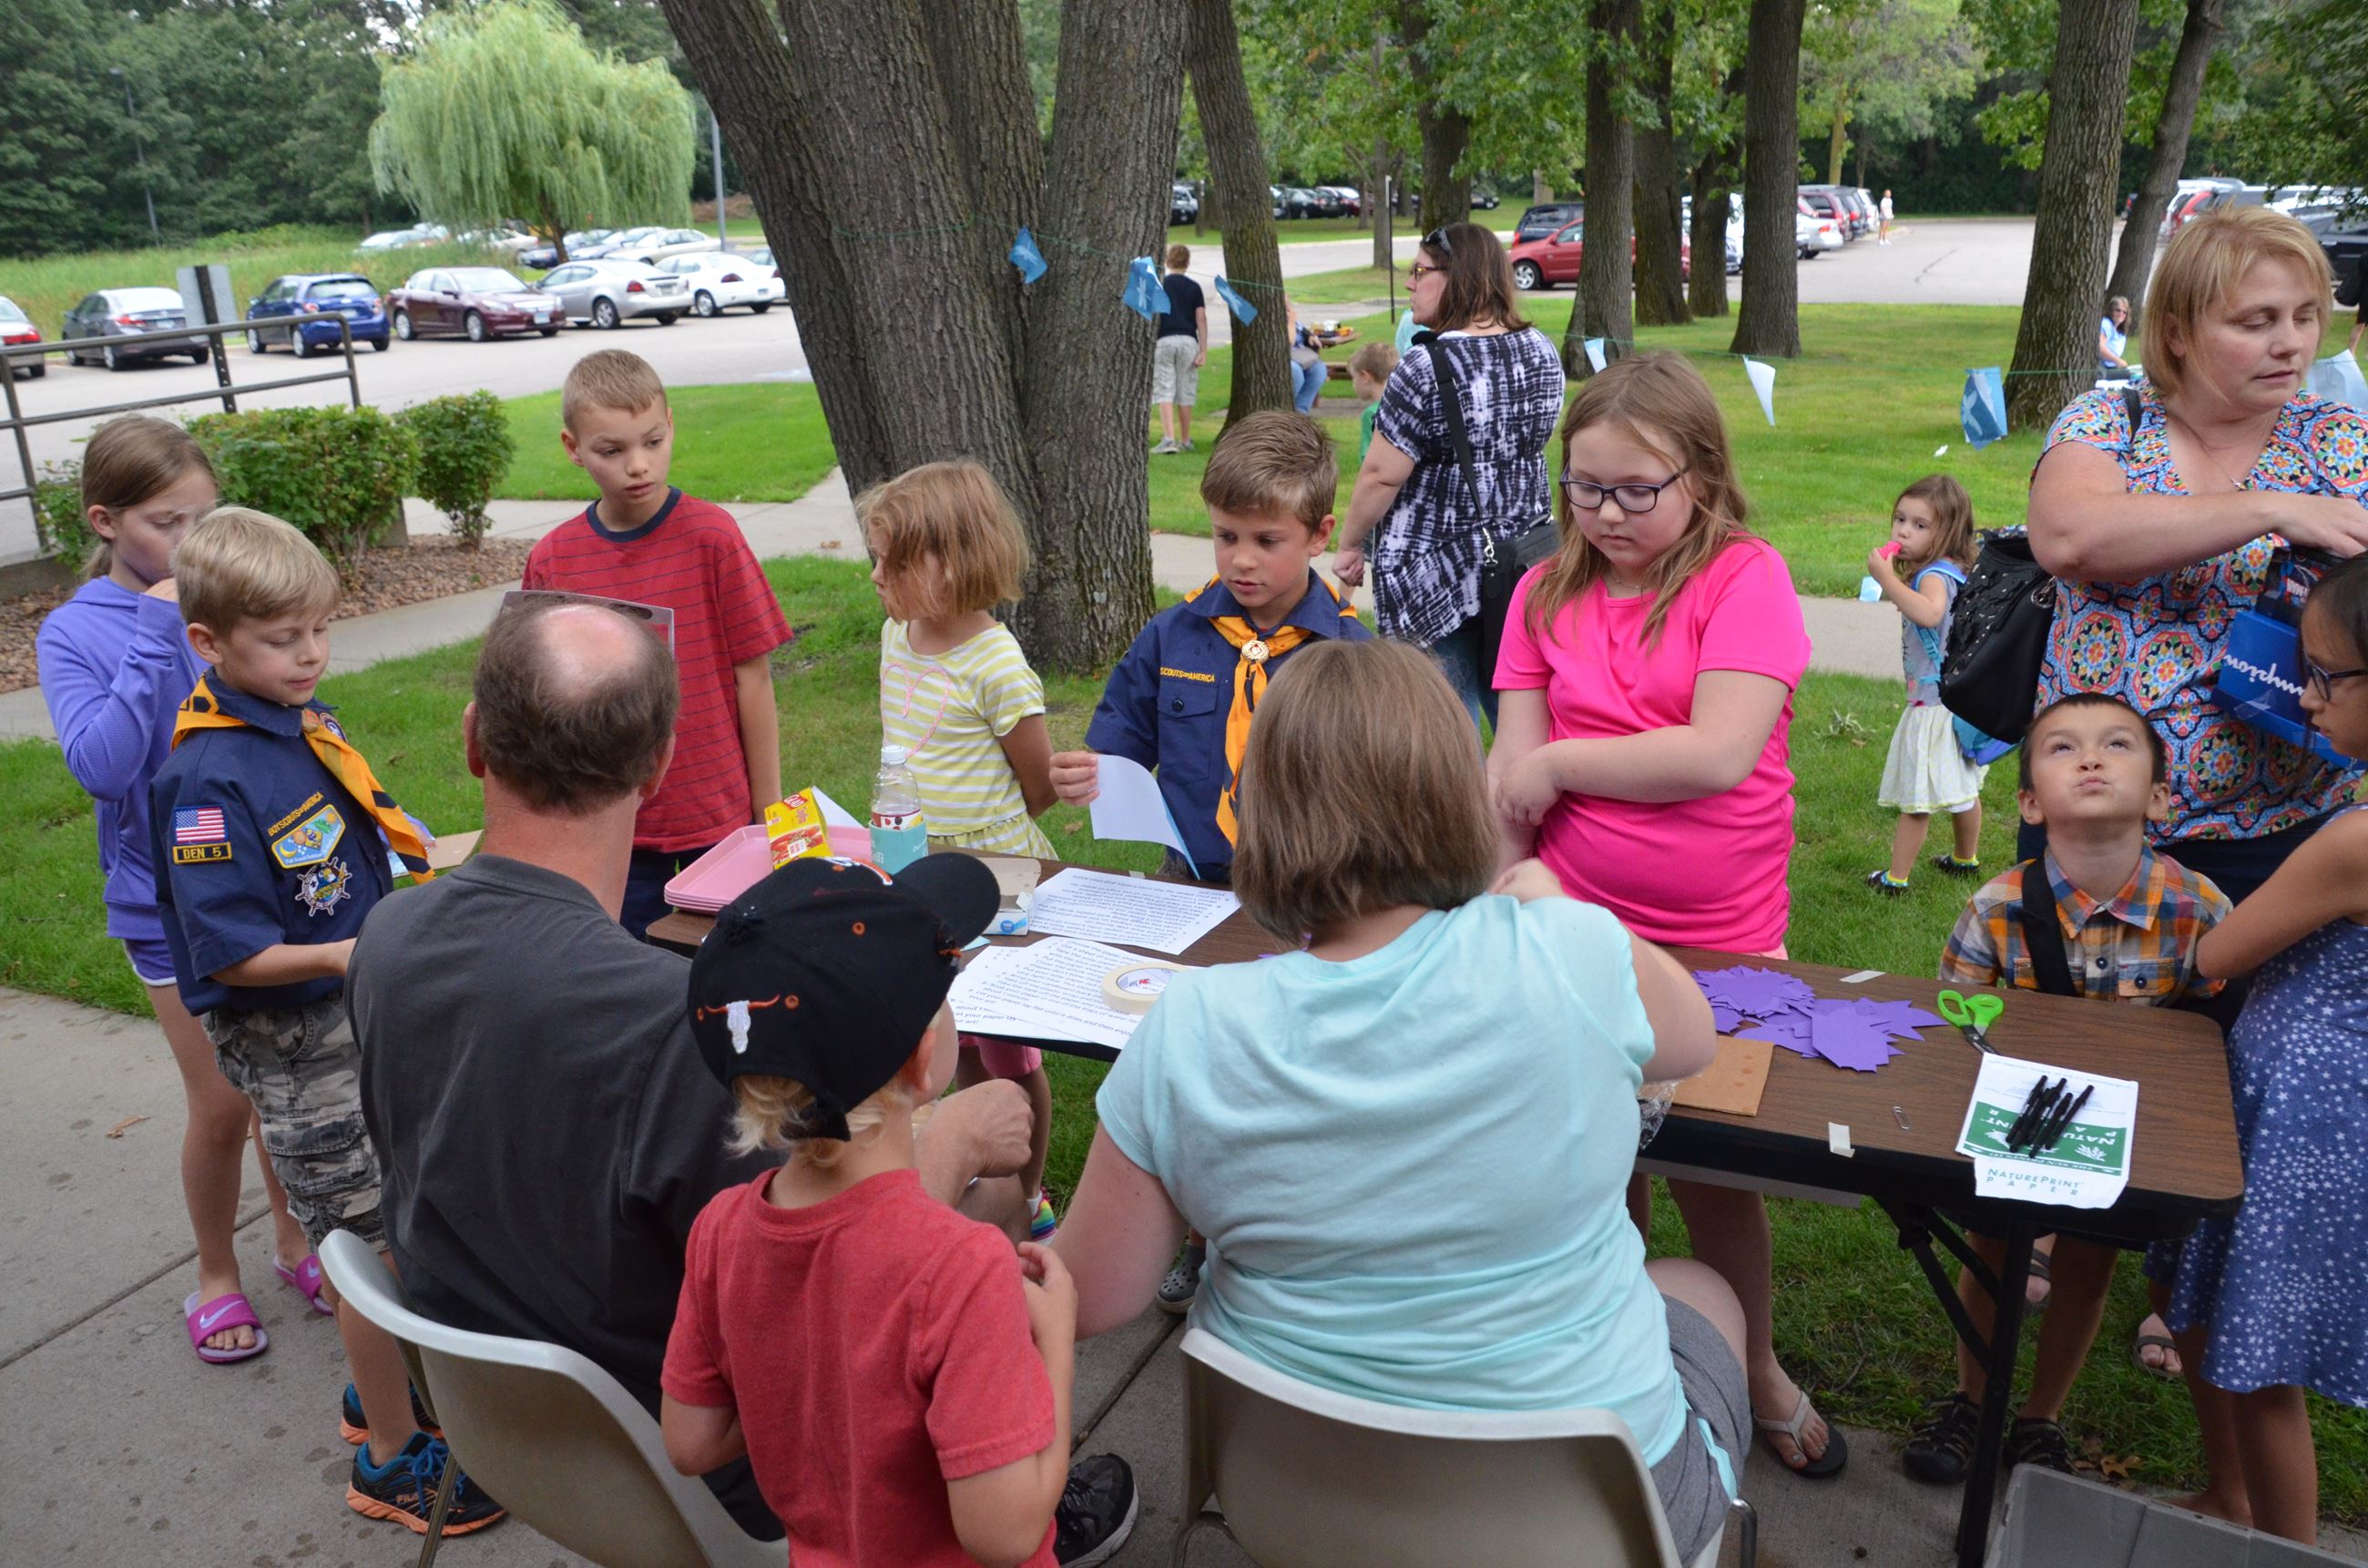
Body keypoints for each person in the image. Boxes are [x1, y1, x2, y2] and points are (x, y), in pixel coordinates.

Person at [350, 596, 1135, 1559]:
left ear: (473, 741)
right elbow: (831, 1274)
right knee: (992, 1225)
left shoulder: (386, 939)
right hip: (706, 1483)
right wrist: (958, 1143)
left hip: (495, 1426)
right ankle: (1016, 1486)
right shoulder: (668, 1029)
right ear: (659, 765)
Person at [1050, 638, 1750, 1564]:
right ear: (1454, 799)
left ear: (1261, 810)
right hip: (1587, 1523)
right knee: (1698, 1290)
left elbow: (1092, 1295)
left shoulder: (1191, 1027)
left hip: (1293, 1501)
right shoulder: (1561, 951)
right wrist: (1560, 908)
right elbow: (1692, 1037)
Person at [1487, 352, 1841, 1479]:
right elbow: (1507, 775)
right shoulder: (1541, 593)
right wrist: (1499, 894)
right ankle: (1617, 1364)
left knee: (1710, 1168)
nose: (1604, 514)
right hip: (1567, 921)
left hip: (1719, 941)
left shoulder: (1744, 578)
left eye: (1635, 490)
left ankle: (1752, 1368)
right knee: (1594, 1164)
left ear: (1701, 475)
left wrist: (1561, 765)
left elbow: (1716, 751)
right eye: (1584, 487)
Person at [147, 508, 500, 1535]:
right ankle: (389, 1458)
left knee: (396, 1219)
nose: (309, 655)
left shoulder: (297, 723)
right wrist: (355, 951)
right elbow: (228, 953)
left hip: (355, 1019)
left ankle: (376, 1387)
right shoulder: (206, 779)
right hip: (297, 1048)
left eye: (318, 630)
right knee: (363, 1252)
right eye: (280, 638)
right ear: (208, 643)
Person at [662, 854, 1124, 1568]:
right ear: (922, 1060)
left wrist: (815, 1380)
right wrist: (1056, 1342)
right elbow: (1004, 1534)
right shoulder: (960, 1268)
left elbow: (691, 1441)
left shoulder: (721, 1231)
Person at [36, 418, 311, 1364]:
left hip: (267, 888)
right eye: (168, 523)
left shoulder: (221, 603)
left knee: (285, 1085)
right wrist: (159, 637)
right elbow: (103, 768)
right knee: (226, 1102)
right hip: (165, 908)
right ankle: (216, 1273)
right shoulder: (76, 633)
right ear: (106, 522)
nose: (192, 543)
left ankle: (295, 1240)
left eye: (205, 517)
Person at [1903, 693, 2230, 1486]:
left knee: (2088, 1266)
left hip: (2130, 1135)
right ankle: (1971, 1400)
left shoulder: (2201, 912)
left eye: (2117, 744)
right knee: (1991, 1249)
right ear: (2028, 803)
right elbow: (1953, 1025)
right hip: (2014, 1122)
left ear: (2159, 796)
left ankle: (2039, 1418)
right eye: (2062, 747)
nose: (2090, 758)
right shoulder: (1995, 908)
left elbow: (2214, 1038)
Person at [2027, 206, 2368, 944]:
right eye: (2256, 321)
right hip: (2096, 826)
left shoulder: (2344, 443)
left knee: (2250, 1015)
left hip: (2286, 833)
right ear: (2178, 332)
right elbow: (2068, 537)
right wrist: (2272, 508)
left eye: (2306, 315)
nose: (2291, 342)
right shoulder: (2110, 421)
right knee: (2067, 1011)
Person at [2165, 555, 2368, 1543]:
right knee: (2229, 1323)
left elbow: (2218, 955)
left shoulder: (2352, 843)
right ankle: (2226, 1498)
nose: (2306, 698)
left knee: (2258, 1360)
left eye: (2324, 675)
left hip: (2298, 1108)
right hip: (2338, 1113)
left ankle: (2283, 1548)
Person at [522, 348, 793, 939]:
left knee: (729, 967)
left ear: (671, 424)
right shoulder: (553, 560)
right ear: (573, 448)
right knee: (624, 969)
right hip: (610, 820)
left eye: (652, 441)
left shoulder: (713, 537)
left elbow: (753, 677)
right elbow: (545, 708)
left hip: (718, 816)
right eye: (612, 451)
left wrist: (767, 815)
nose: (638, 466)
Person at [1051, 410, 1370, 895]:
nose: (1242, 559)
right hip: (1189, 879)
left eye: (1267, 540)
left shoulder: (1354, 658)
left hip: (1315, 889)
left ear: (1319, 535)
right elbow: (1121, 750)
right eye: (1226, 536)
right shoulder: (1171, 636)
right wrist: (1083, 776)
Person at [862, 460, 1060, 1233]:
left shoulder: (996, 662)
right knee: (951, 1034)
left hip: (994, 882)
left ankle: (1028, 1197)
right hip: (920, 873)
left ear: (948, 564)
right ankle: (970, 1175)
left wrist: (983, 842)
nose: (875, 576)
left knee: (1008, 1053)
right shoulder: (896, 635)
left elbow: (1038, 784)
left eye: (891, 563)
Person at [1333, 222, 1565, 728]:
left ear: (1459, 277)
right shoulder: (1542, 351)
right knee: (1519, 716)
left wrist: (1350, 545)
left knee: (1442, 724)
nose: (1409, 283)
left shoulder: (1424, 365)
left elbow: (1381, 475)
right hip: (1521, 565)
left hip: (1433, 574)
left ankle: (1459, 785)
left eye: (1420, 272)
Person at [1863, 474, 1985, 893]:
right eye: (1900, 519)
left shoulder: (1932, 576)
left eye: (1919, 525)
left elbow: (1930, 613)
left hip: (1932, 704)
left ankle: (1895, 879)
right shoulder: (1955, 570)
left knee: (1917, 799)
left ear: (1947, 532)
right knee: (1963, 787)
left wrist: (1887, 581)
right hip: (1957, 698)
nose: (1903, 531)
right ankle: (1965, 859)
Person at [1150, 244, 1207, 454]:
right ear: (1188, 263)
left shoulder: (1160, 285)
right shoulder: (1194, 287)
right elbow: (1201, 318)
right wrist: (1203, 350)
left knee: (1164, 388)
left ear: (1167, 261)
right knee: (1185, 390)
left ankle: (1168, 438)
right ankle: (1185, 438)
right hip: (1188, 341)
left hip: (1164, 340)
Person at [1346, 339, 1399, 463]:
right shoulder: (1404, 406)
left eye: (1354, 377)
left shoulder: (1371, 414)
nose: (1353, 383)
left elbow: (1369, 460)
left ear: (1365, 377)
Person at [1284, 299, 1326, 414]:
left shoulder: (1293, 321)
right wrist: (1291, 323)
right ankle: (1286, 409)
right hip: (1283, 359)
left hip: (1300, 357)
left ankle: (1301, 411)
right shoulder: (1275, 322)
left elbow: (1303, 330)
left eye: (1288, 306)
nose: (1288, 309)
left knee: (1319, 369)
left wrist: (1310, 337)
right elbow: (1289, 342)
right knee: (1295, 371)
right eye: (1286, 307)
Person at [2098, 294, 2134, 380]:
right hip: (2100, 365)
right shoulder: (2106, 324)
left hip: (2111, 367)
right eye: (2118, 310)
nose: (2121, 314)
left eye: (2124, 312)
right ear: (2111, 311)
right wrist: (2117, 360)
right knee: (2128, 375)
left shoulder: (2121, 333)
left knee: (2134, 375)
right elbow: (2099, 347)